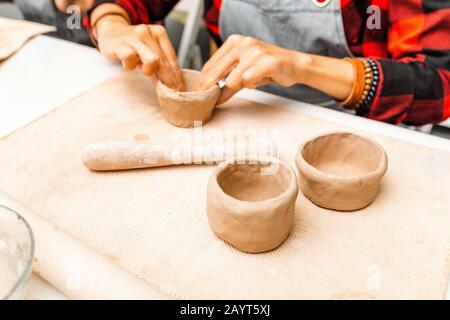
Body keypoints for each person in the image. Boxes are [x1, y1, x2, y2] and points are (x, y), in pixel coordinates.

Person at [59, 1, 450, 125]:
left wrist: (302, 66)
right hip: (235, 114)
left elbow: (439, 84)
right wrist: (111, 22)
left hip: (345, 129)